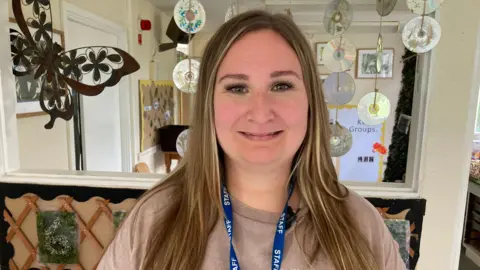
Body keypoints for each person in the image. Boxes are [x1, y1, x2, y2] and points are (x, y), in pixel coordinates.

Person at [97, 10, 405, 270]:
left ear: (310, 103)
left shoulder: (360, 225)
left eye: (282, 85)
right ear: (209, 106)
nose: (260, 112)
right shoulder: (155, 220)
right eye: (237, 88)